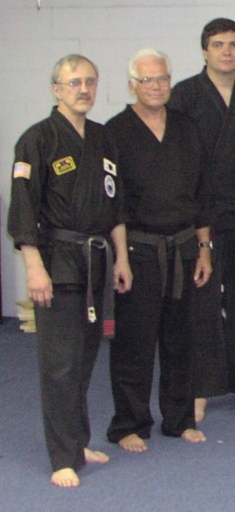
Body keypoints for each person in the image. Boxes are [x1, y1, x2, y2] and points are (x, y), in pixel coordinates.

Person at [8, 54, 132, 487]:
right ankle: (62, 457)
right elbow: (23, 208)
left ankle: (78, 442)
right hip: (56, 260)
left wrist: (121, 257)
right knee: (60, 365)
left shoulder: (102, 138)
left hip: (97, 260)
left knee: (83, 359)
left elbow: (116, 205)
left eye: (90, 82)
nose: (84, 89)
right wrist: (34, 267)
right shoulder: (37, 139)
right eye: (74, 82)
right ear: (56, 89)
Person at [168, 18, 235, 420]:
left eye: (233, 44)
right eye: (218, 44)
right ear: (204, 50)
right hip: (203, 215)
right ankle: (199, 388)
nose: (227, 51)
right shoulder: (185, 95)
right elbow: (177, 159)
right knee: (202, 304)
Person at [104, 49, 210, 452]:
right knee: (134, 343)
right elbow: (112, 202)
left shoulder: (186, 127)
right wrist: (121, 258)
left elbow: (202, 193)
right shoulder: (116, 132)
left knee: (182, 341)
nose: (156, 86)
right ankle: (128, 425)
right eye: (147, 80)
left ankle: (180, 420)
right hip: (139, 249)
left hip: (184, 248)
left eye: (162, 78)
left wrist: (204, 248)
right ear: (132, 85)